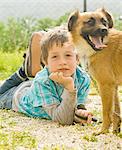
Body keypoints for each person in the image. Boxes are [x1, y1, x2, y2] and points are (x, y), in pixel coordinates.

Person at [0, 28, 93, 125]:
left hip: (32, 87)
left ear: (77, 59)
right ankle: (22, 72)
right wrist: (69, 87)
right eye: (55, 57)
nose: (62, 62)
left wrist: (81, 112)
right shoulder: (42, 81)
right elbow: (63, 119)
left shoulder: (83, 78)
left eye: (68, 55)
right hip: (15, 97)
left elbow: (76, 106)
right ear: (45, 62)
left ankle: (23, 72)